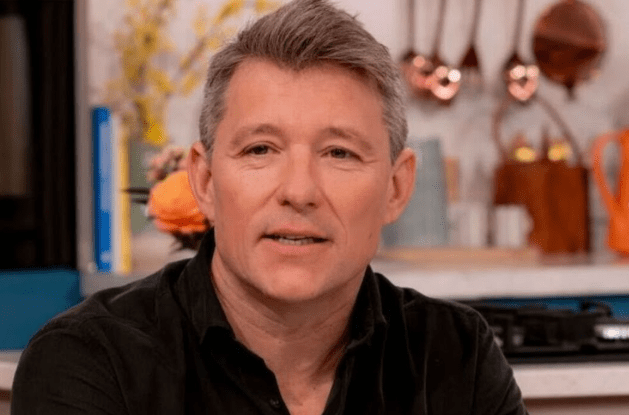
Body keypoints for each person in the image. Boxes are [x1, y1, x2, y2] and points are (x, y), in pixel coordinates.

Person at [12, 0, 529, 414]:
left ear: (396, 188)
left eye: (339, 153)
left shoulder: (457, 356)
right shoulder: (88, 362)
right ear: (205, 181)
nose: (298, 191)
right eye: (260, 149)